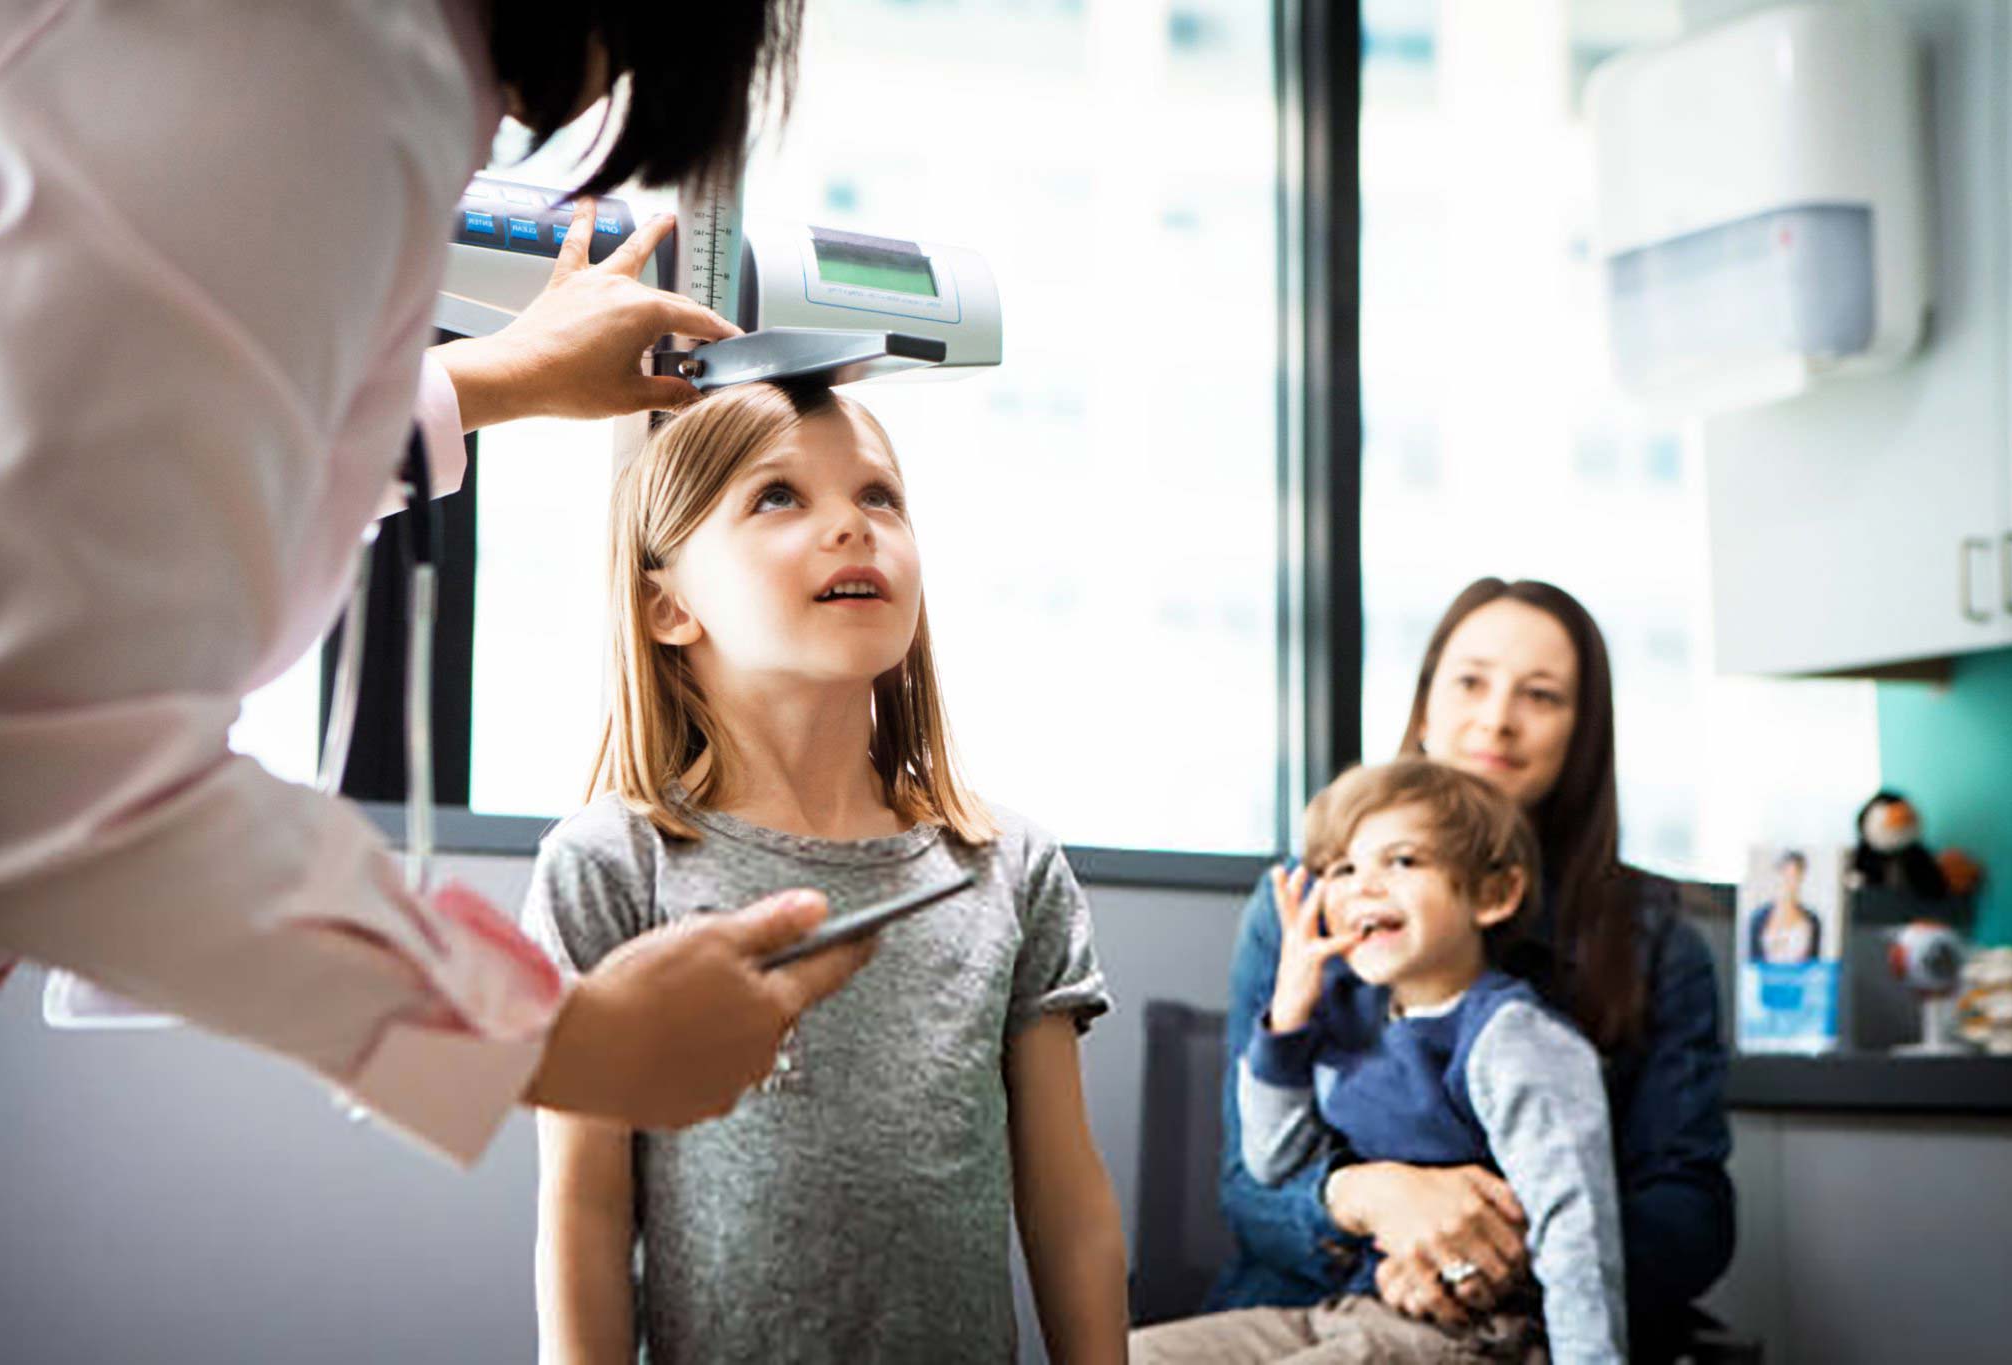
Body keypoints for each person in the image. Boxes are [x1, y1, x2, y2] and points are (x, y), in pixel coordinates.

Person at [0, 0, 872, 1166]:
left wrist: (486, 384)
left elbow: (126, 439)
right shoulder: (322, 54)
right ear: (666, 600)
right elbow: (45, 742)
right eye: (775, 500)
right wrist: (562, 1043)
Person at [522, 381, 1128, 1363]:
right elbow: (585, 1220)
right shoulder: (609, 866)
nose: (852, 525)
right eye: (777, 497)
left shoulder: (1007, 868)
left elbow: (1068, 1205)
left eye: (879, 497)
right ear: (668, 604)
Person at [1178, 579, 1733, 1361]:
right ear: (1425, 701)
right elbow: (1249, 1185)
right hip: (1301, 1301)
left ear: (1583, 731)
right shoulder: (1306, 905)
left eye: (1540, 695)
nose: (1496, 717)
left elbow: (1691, 1215)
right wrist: (1374, 1199)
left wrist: (1486, 1261)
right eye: (1470, 681)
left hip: (1514, 1327)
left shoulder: (1653, 939)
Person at [1138, 759, 1624, 1364]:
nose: (1363, 884)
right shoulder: (1347, 1015)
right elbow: (1271, 1158)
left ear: (1493, 894)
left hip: (1476, 1334)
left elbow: (1575, 1230)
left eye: (1401, 861)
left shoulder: (1514, 1039)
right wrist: (1287, 1019)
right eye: (1342, 868)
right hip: (1346, 1309)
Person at [1747, 851, 1821, 964]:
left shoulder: (1812, 920)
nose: (1788, 882)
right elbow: (1753, 962)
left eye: (1794, 876)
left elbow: (1813, 965)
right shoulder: (1758, 918)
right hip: (1768, 979)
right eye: (1784, 874)